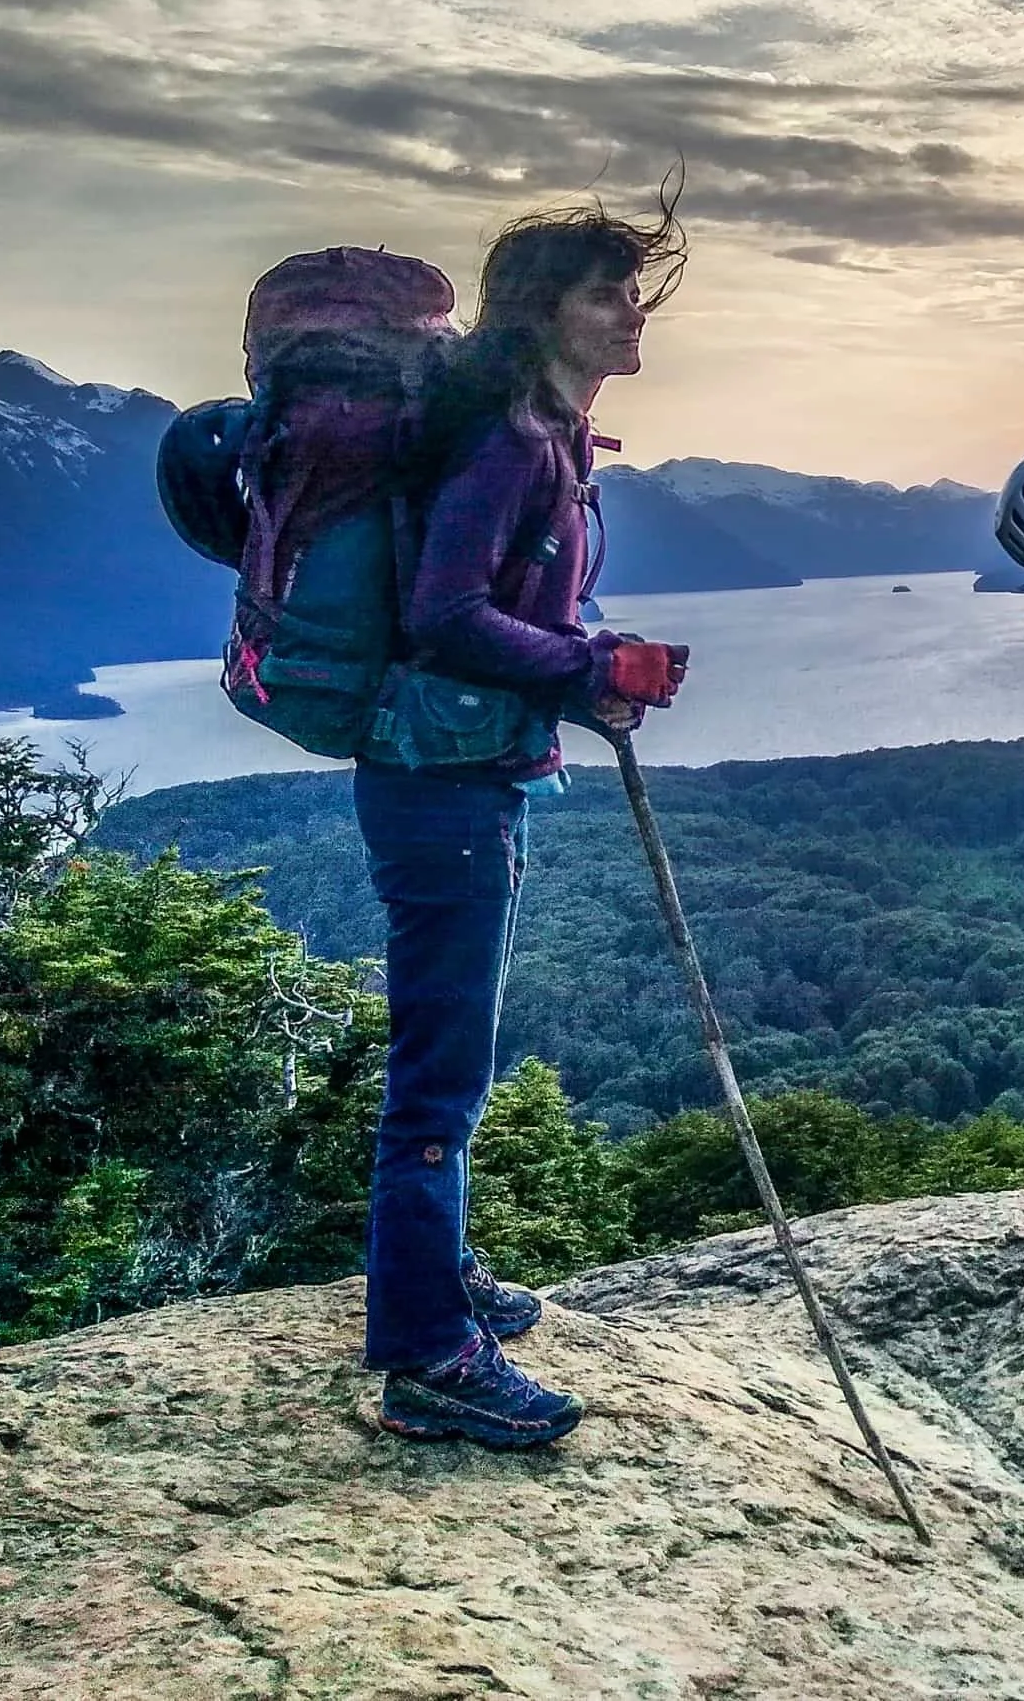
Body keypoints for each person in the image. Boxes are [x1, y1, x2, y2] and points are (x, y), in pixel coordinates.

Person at [362, 199, 693, 1448]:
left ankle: (434, 1286)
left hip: (460, 769)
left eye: (632, 287)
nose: (631, 309)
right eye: (607, 290)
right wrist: (585, 668)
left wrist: (591, 659)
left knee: (453, 1062)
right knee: (440, 1076)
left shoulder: (549, 435)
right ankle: (428, 1358)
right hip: (439, 783)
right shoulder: (511, 442)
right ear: (543, 310)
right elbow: (446, 611)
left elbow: (504, 604)